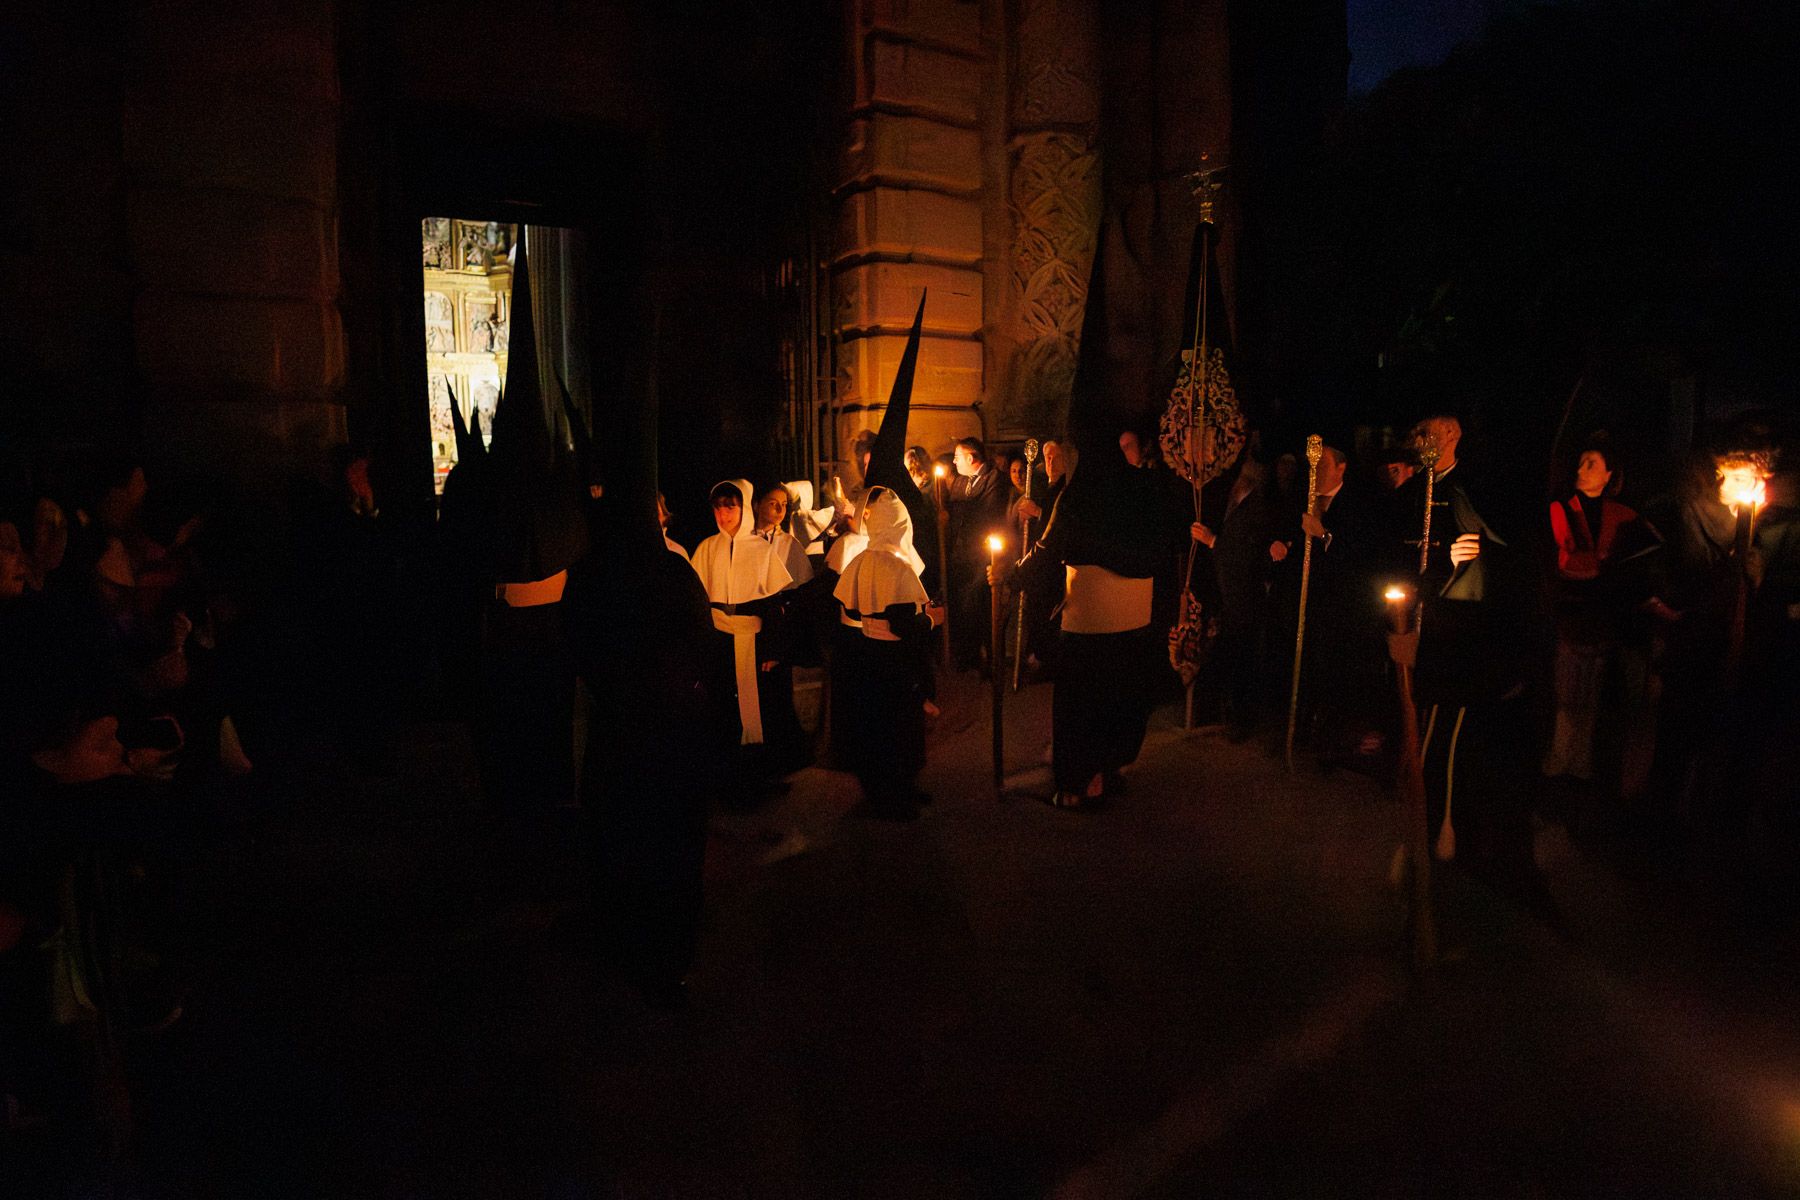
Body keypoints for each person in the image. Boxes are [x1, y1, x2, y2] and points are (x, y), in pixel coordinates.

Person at [1386, 415, 1546, 910]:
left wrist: (1465, 563)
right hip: (1418, 624)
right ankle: (1419, 827)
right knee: (1417, 727)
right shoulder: (1415, 493)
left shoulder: (1474, 489)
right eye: (1420, 433)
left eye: (1433, 430)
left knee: (1449, 733)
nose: (1424, 439)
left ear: (1454, 433)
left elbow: (1505, 556)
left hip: (1459, 635)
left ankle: (1445, 826)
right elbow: (1399, 555)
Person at [999, 439, 1199, 807]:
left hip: (1090, 620)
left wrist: (1010, 576)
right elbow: (1166, 543)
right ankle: (1109, 768)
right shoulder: (1146, 487)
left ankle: (1081, 781)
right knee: (1122, 698)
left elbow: (1048, 550)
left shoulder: (1079, 495)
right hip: (1136, 619)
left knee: (1082, 703)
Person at [1542, 445, 1657, 783]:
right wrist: (1602, 563)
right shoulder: (1562, 508)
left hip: (1604, 618)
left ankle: (1581, 760)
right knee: (1567, 694)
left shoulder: (1624, 515)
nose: (1581, 469)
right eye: (1581, 462)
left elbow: (1638, 558)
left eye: (1591, 464)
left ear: (1609, 474)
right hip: (1571, 617)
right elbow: (1566, 561)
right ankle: (1560, 756)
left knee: (1591, 696)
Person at [831, 488, 942, 819]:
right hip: (895, 659)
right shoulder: (897, 567)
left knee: (878, 726)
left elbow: (853, 608)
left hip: (867, 653)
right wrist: (932, 620)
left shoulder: (861, 560)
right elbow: (903, 625)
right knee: (899, 729)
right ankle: (893, 799)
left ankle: (897, 789)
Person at [691, 479, 796, 776]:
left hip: (753, 640)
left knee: (757, 707)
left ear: (744, 508)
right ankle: (726, 772)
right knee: (723, 705)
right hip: (718, 640)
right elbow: (698, 602)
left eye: (730, 507)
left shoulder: (761, 550)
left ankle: (758, 773)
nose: (723, 514)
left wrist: (773, 649)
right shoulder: (707, 548)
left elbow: (772, 604)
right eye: (718, 507)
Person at [1192, 458, 1275, 738]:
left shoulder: (1256, 509)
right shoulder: (1237, 503)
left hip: (1245, 597)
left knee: (1242, 658)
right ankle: (1229, 713)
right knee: (1234, 655)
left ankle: (1242, 719)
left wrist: (1213, 541)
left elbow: (1246, 554)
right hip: (1232, 594)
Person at [945, 436, 1009, 672]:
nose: (954, 462)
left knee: (985, 608)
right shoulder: (961, 481)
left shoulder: (994, 479)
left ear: (971, 458)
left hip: (983, 555)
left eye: (957, 457)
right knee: (965, 608)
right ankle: (970, 658)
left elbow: (987, 513)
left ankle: (994, 661)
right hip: (962, 554)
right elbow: (954, 510)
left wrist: (961, 511)